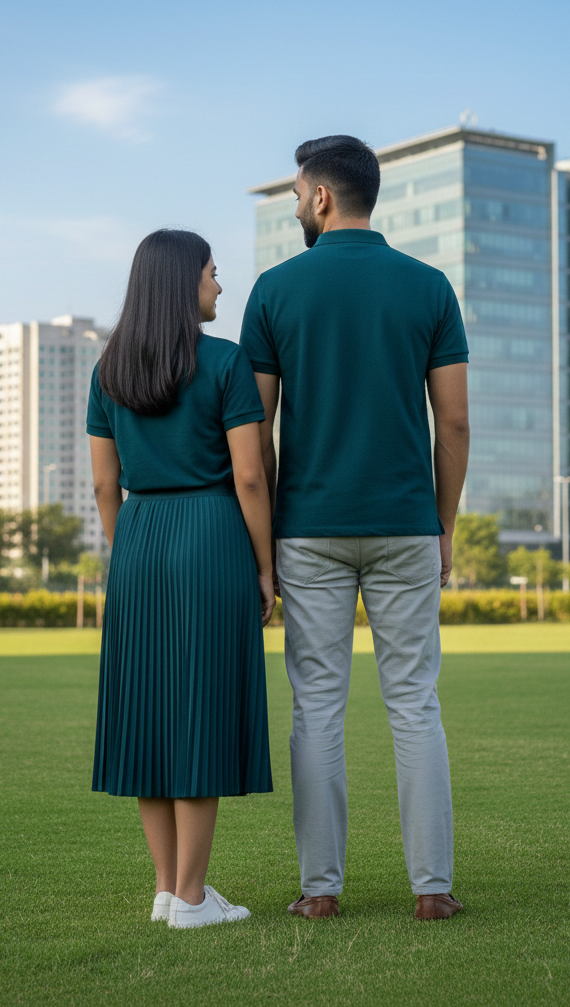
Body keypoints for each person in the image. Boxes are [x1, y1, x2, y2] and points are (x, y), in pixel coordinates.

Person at [240, 135, 470, 921]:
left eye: (300, 193)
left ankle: (320, 888)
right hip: (408, 523)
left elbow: (257, 432)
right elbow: (457, 425)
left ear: (323, 197)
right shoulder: (430, 285)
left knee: (317, 708)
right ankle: (432, 888)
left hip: (308, 528)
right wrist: (444, 524)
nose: (298, 205)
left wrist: (263, 547)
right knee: (416, 703)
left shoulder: (273, 290)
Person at [87, 229, 274, 930]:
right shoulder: (226, 363)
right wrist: (264, 565)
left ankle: (169, 888)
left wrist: (129, 552)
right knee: (198, 715)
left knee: (150, 719)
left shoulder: (108, 371)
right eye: (213, 274)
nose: (220, 286)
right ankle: (194, 898)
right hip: (210, 537)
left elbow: (107, 485)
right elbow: (250, 475)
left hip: (137, 541)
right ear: (182, 283)